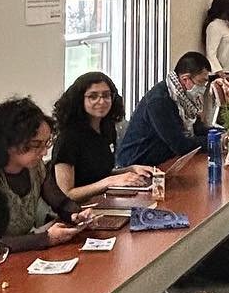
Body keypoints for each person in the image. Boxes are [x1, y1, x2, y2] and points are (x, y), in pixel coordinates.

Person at [0, 97, 91, 251]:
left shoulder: (34, 167)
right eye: (36, 145)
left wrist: (76, 215)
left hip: (23, 252)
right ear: (9, 142)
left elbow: (58, 200)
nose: (44, 152)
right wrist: (45, 238)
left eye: (46, 143)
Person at [51, 71, 157, 204]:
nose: (101, 101)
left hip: (101, 202)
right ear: (79, 100)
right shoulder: (68, 138)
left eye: (106, 95)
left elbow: (99, 174)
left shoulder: (107, 128)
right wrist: (109, 181)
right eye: (93, 96)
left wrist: (130, 170)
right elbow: (67, 194)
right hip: (74, 213)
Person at [114, 50, 214, 168]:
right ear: (185, 79)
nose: (203, 88)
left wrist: (220, 134)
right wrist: (215, 141)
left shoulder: (185, 97)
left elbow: (196, 128)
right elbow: (180, 145)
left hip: (163, 161)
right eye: (201, 82)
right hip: (138, 165)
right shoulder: (159, 100)